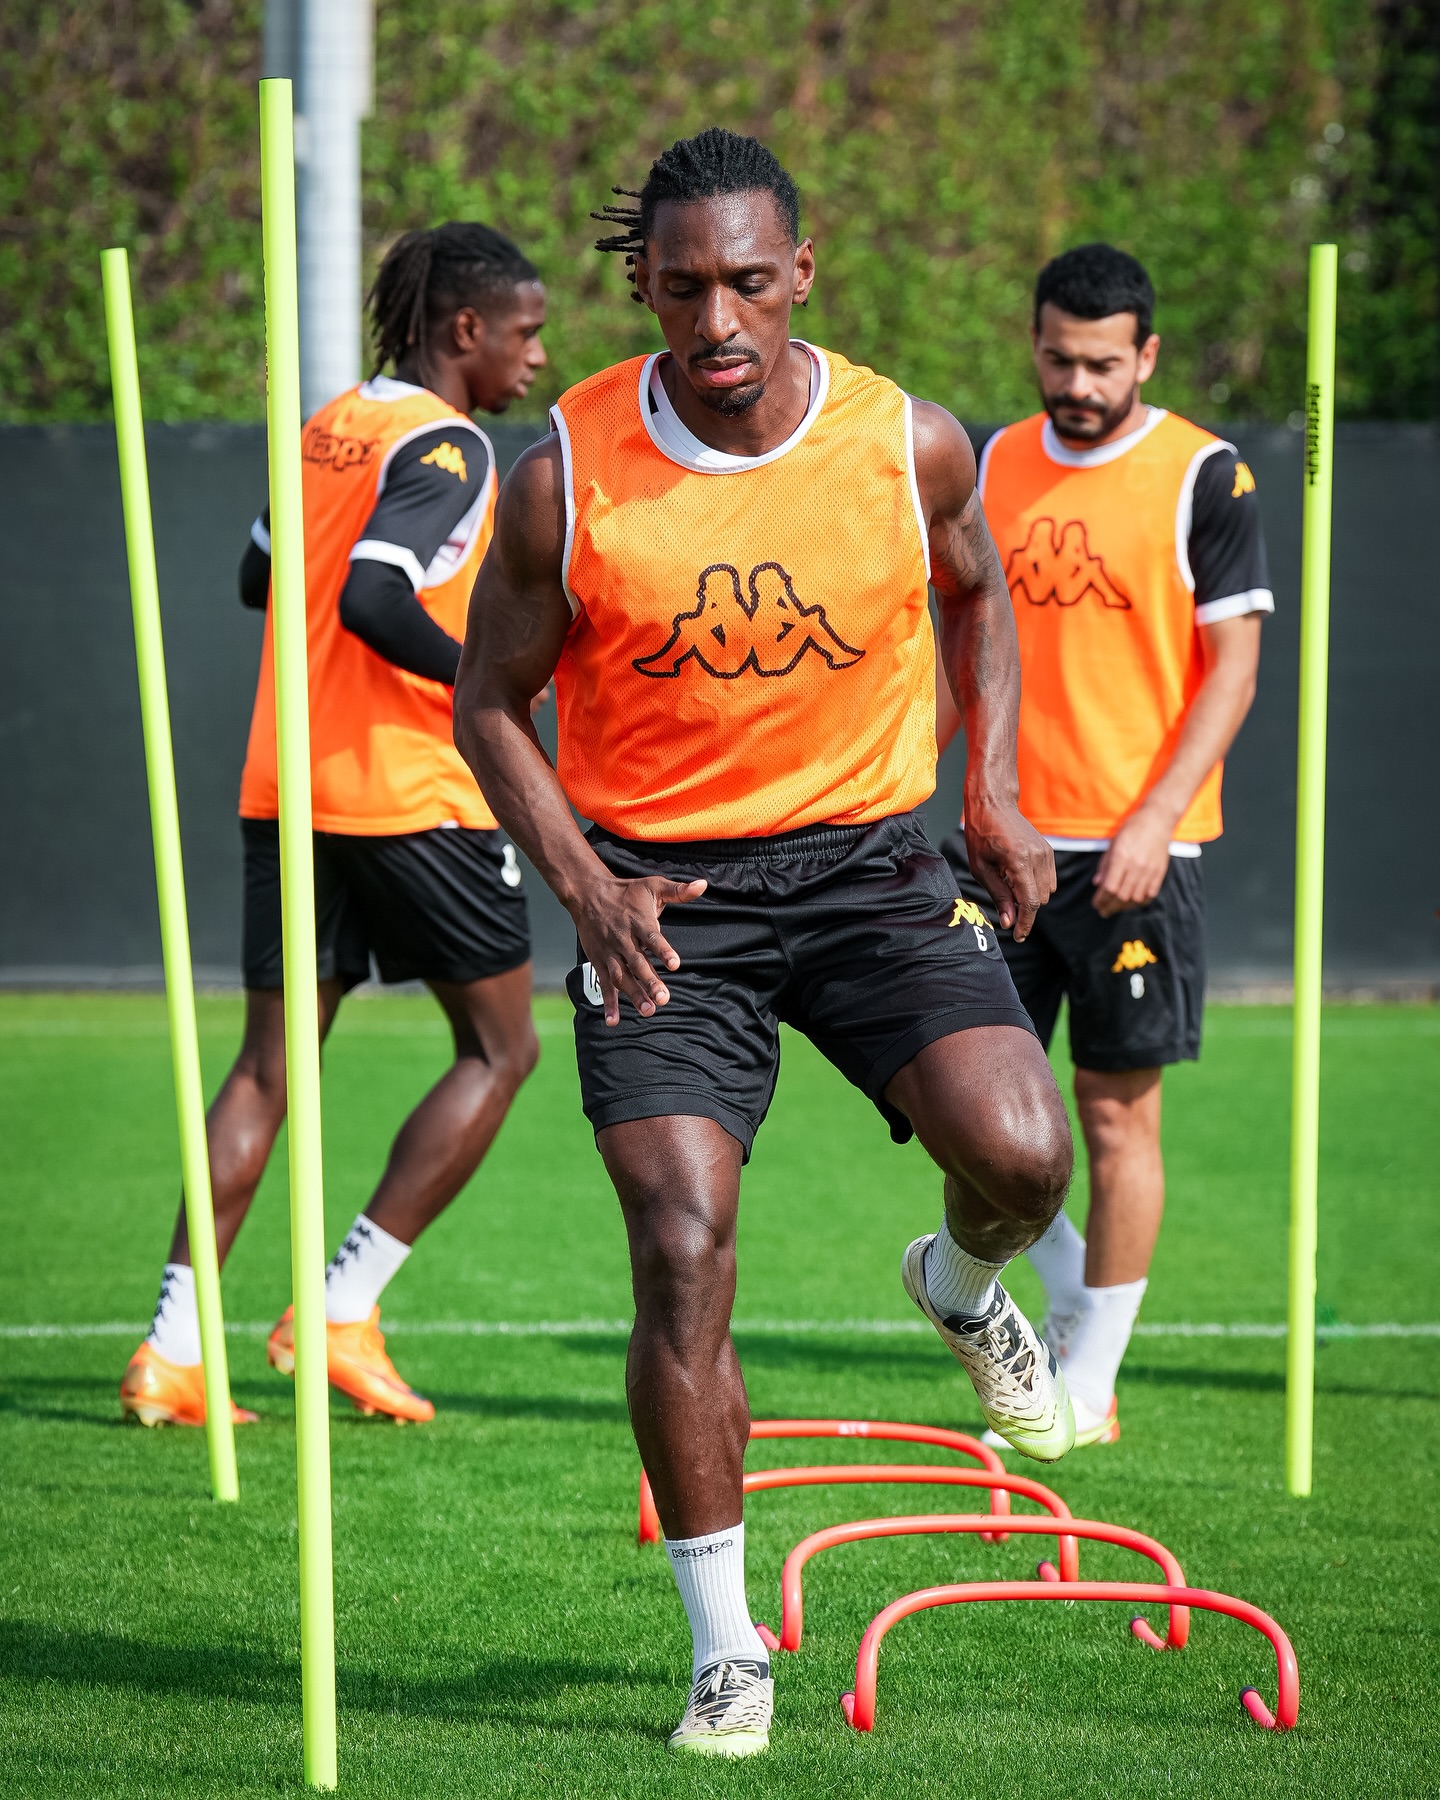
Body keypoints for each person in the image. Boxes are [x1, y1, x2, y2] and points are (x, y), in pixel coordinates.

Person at [453, 128, 1075, 1758]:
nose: (715, 319)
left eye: (745, 281)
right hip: (663, 904)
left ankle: (959, 1285)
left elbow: (978, 594)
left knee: (1027, 1157)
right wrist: (582, 885)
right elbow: (487, 703)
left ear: (801, 272)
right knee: (679, 1249)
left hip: (869, 867)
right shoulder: (565, 471)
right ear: (643, 287)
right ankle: (727, 1648)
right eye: (681, 288)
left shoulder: (906, 443)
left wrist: (992, 792)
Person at [121, 222, 549, 1430]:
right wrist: (488, 681)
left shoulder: (328, 426)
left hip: (288, 786)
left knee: (267, 1070)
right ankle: (340, 1308)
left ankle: (172, 1350)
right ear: (464, 328)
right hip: (410, 794)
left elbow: (260, 577)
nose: (535, 357)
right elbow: (372, 595)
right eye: (525, 333)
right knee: (502, 1051)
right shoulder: (449, 444)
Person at [934, 242, 1272, 1449]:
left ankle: (1090, 1379)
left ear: (1147, 356)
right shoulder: (989, 462)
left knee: (1117, 1118)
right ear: (1034, 345)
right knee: (971, 1113)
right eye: (1057, 359)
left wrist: (1155, 820)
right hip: (1002, 845)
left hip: (1139, 856)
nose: (1076, 384)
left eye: (1101, 364)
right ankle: (1071, 1304)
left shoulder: (1205, 476)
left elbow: (1232, 670)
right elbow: (960, 648)